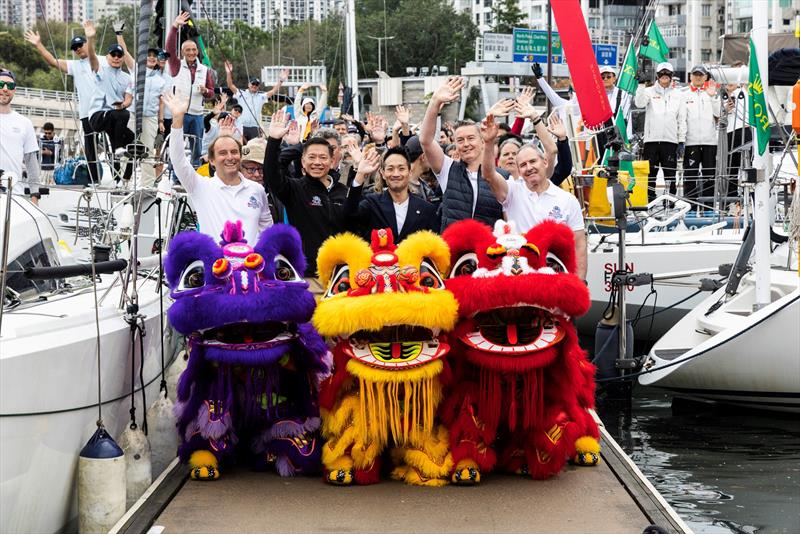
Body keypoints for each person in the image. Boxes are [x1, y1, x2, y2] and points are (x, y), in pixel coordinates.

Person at [478, 113, 587, 280]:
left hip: (555, 279)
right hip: (520, 279)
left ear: (545, 162)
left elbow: (579, 245)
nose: (529, 168)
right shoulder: (512, 191)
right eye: (523, 165)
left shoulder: (567, 200)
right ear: (518, 170)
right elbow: (488, 175)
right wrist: (488, 142)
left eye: (533, 162)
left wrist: (580, 283)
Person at [163, 90, 272, 244]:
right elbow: (178, 160)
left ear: (240, 157)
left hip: (251, 259)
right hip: (214, 259)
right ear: (212, 160)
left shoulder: (257, 190)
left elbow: (268, 232)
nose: (230, 157)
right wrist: (177, 119)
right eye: (222, 153)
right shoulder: (201, 186)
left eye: (234, 152)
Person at [265, 110, 347, 286]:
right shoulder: (294, 189)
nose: (317, 162)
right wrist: (274, 141)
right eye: (311, 157)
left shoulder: (343, 191)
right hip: (306, 275)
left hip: (340, 275)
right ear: (303, 161)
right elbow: (272, 175)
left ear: (332, 161)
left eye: (323, 157)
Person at [419, 77, 504, 231]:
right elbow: (426, 140)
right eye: (460, 140)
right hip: (453, 244)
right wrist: (435, 102)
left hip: (487, 244)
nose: (466, 144)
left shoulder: (502, 176)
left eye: (471, 138)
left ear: (482, 141)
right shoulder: (448, 169)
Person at [25, 21, 103, 181]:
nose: (78, 49)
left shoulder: (102, 60)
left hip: (105, 110)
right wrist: (38, 44)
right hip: (87, 113)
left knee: (111, 144)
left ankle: (119, 176)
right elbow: (53, 62)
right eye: (75, 48)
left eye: (80, 45)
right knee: (91, 148)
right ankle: (95, 180)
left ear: (87, 43)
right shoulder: (75, 65)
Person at [344, 146, 439, 242]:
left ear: (409, 172)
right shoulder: (372, 204)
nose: (396, 174)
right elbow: (349, 217)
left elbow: (434, 245)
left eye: (401, 169)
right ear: (383, 173)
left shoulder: (426, 209)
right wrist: (360, 174)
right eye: (390, 169)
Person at [165, 11, 215, 167]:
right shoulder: (176, 65)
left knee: (196, 148)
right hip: (180, 113)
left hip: (197, 115)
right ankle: (174, 176)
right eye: (188, 50)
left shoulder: (205, 70)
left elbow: (211, 93)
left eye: (194, 50)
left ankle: (195, 173)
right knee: (177, 147)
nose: (191, 52)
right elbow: (169, 48)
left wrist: (206, 91)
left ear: (197, 51)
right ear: (182, 52)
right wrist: (175, 27)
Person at [634, 61, 687, 202]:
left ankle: (670, 202)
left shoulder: (678, 94)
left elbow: (682, 119)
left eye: (667, 73)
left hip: (670, 141)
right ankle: (650, 201)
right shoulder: (649, 91)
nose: (664, 75)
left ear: (671, 75)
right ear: (657, 75)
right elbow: (639, 103)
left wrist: (681, 141)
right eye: (662, 73)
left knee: (670, 174)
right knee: (650, 174)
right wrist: (640, 85)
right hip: (651, 140)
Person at [87, 43, 135, 181]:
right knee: (123, 115)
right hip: (98, 115)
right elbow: (92, 58)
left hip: (115, 116)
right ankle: (118, 148)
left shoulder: (127, 78)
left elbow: (128, 98)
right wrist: (90, 39)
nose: (116, 58)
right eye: (113, 55)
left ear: (123, 58)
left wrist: (123, 104)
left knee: (132, 139)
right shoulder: (101, 71)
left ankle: (123, 178)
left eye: (119, 55)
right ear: (107, 57)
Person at [0, 69, 40, 203]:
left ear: (14, 90)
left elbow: (31, 162)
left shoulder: (25, 123)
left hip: (15, 196)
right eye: (1, 84)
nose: (5, 89)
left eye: (10, 86)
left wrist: (35, 195)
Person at [681, 65, 720, 204]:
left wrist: (713, 96)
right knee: (690, 176)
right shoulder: (683, 94)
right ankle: (690, 207)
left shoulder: (712, 93)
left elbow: (718, 114)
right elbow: (681, 119)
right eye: (695, 74)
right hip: (691, 142)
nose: (698, 77)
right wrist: (681, 140)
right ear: (691, 76)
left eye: (701, 75)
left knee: (709, 175)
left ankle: (709, 208)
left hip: (710, 141)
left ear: (705, 77)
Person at [224, 61, 287, 142]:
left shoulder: (261, 97)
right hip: (241, 126)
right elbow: (230, 85)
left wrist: (281, 81)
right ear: (248, 84)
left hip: (255, 127)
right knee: (240, 146)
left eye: (256, 84)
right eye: (253, 84)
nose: (254, 86)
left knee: (254, 147)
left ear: (258, 86)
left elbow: (273, 91)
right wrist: (228, 73)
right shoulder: (241, 94)